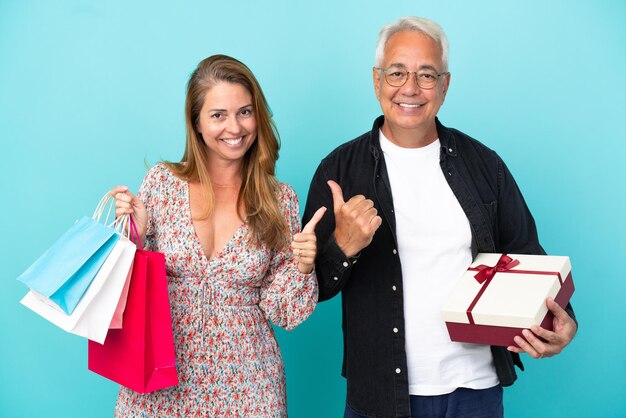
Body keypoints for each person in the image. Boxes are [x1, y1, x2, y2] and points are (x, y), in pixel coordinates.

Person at [302, 16, 577, 418]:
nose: (410, 88)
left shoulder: (485, 166)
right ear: (376, 80)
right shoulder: (339, 170)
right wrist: (344, 245)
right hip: (379, 393)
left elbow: (529, 256)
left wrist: (565, 321)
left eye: (426, 75)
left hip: (476, 392)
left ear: (445, 86)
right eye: (396, 72)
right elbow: (309, 290)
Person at [111, 54, 326, 417]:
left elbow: (283, 312)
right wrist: (137, 235)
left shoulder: (279, 199)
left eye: (244, 112)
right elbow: (127, 291)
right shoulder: (163, 183)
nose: (235, 127)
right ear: (196, 123)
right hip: (160, 377)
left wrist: (302, 267)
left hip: (248, 384)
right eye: (218, 115)